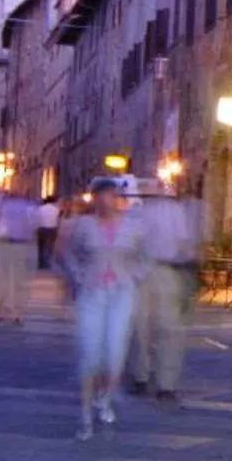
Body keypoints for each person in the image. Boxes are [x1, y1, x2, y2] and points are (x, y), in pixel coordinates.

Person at [57, 175, 147, 439]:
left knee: (114, 354)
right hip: (92, 292)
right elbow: (68, 253)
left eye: (110, 195)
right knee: (90, 353)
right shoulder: (83, 225)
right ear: (94, 199)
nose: (105, 201)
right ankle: (85, 416)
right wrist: (78, 275)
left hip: (121, 292)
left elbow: (144, 257)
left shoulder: (133, 227)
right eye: (100, 196)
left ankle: (105, 397)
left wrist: (135, 276)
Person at [127, 182, 201, 404]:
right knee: (147, 327)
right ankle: (148, 377)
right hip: (147, 273)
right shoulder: (137, 213)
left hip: (163, 270)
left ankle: (160, 381)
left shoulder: (169, 211)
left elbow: (185, 245)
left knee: (161, 328)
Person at [0, 188, 38, 323]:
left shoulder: (2, 204)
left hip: (5, 243)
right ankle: (14, 313)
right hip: (17, 244)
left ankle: (1, 311)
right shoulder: (27, 206)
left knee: (2, 279)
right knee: (17, 280)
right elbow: (33, 225)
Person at [36, 194, 60, 269]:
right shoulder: (57, 209)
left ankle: (41, 263)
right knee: (50, 247)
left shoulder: (40, 209)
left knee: (41, 247)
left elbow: (37, 219)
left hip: (42, 229)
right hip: (52, 229)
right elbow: (58, 220)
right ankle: (48, 262)